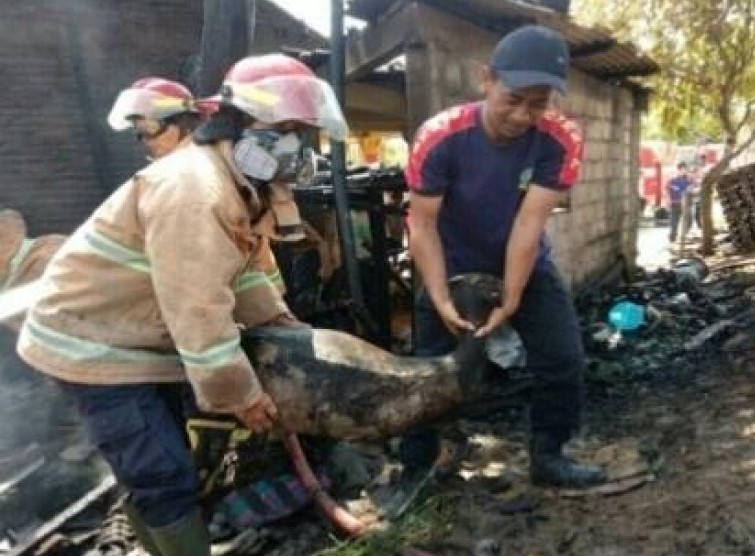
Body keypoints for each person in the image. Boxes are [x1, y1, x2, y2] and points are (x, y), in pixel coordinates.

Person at [17, 53, 348, 556]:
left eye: (301, 131)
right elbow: (198, 309)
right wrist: (241, 394)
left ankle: (159, 537)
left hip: (130, 333)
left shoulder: (235, 183)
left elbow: (239, 273)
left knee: (158, 463)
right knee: (163, 471)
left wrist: (282, 326)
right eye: (284, 129)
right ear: (240, 125)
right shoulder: (196, 189)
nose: (295, 145)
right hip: (93, 342)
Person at [403, 25, 605, 489]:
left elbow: (528, 225)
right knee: (428, 368)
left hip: (524, 262)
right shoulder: (439, 136)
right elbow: (424, 225)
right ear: (486, 80)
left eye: (538, 103)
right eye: (513, 98)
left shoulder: (561, 138)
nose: (522, 115)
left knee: (562, 359)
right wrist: (438, 294)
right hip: (451, 263)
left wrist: (511, 297)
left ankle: (548, 456)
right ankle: (418, 468)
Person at [107, 77, 204, 160]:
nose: (145, 140)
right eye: (140, 130)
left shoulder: (205, 164)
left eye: (150, 127)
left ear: (185, 124)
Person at [667, 162, 693, 242]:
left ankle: (684, 236)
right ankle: (672, 238)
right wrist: (668, 201)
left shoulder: (688, 180)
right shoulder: (673, 180)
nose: (683, 171)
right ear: (678, 170)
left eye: (685, 170)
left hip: (686, 204)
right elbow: (667, 190)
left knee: (689, 221)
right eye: (681, 170)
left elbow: (692, 189)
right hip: (675, 204)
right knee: (674, 223)